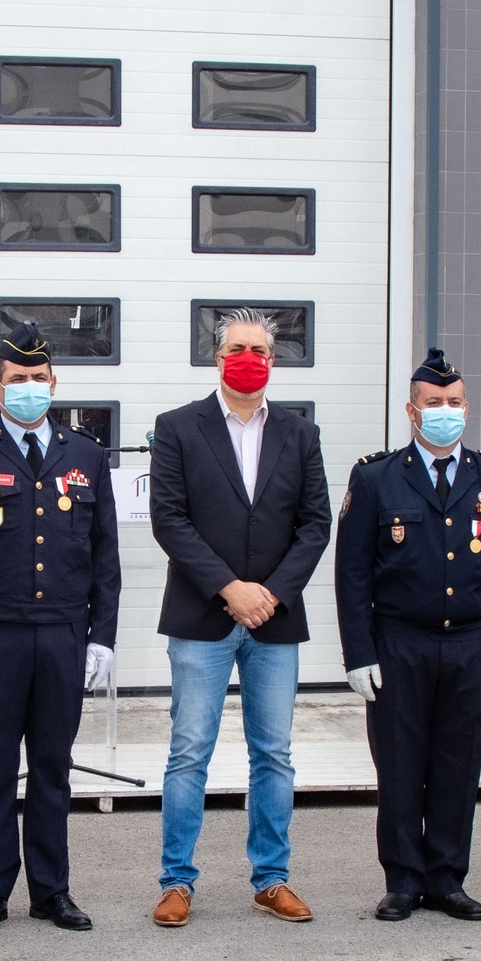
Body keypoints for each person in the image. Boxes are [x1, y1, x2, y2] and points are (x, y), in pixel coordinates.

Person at [0, 322, 121, 934]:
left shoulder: (86, 455)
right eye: (17, 380)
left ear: (54, 383)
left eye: (39, 379)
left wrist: (102, 636)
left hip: (63, 634)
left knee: (54, 768)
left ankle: (50, 889)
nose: (29, 388)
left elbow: (105, 556)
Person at [145, 308, 331, 928]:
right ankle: (176, 882)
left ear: (273, 360)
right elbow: (169, 519)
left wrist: (269, 594)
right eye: (236, 347)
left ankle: (271, 878)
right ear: (217, 357)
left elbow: (315, 523)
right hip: (202, 615)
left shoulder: (301, 434)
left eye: (259, 348)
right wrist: (231, 588)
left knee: (273, 754)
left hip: (275, 621)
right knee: (188, 752)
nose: (248, 356)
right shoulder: (177, 428)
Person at [335, 348, 481, 922]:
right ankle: (402, 879)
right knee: (399, 765)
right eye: (434, 403)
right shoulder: (376, 477)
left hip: (471, 644)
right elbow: (352, 574)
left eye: (454, 402)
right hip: (399, 644)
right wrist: (359, 653)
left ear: (466, 407)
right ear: (412, 411)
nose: (446, 411)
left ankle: (447, 878)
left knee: (458, 765)